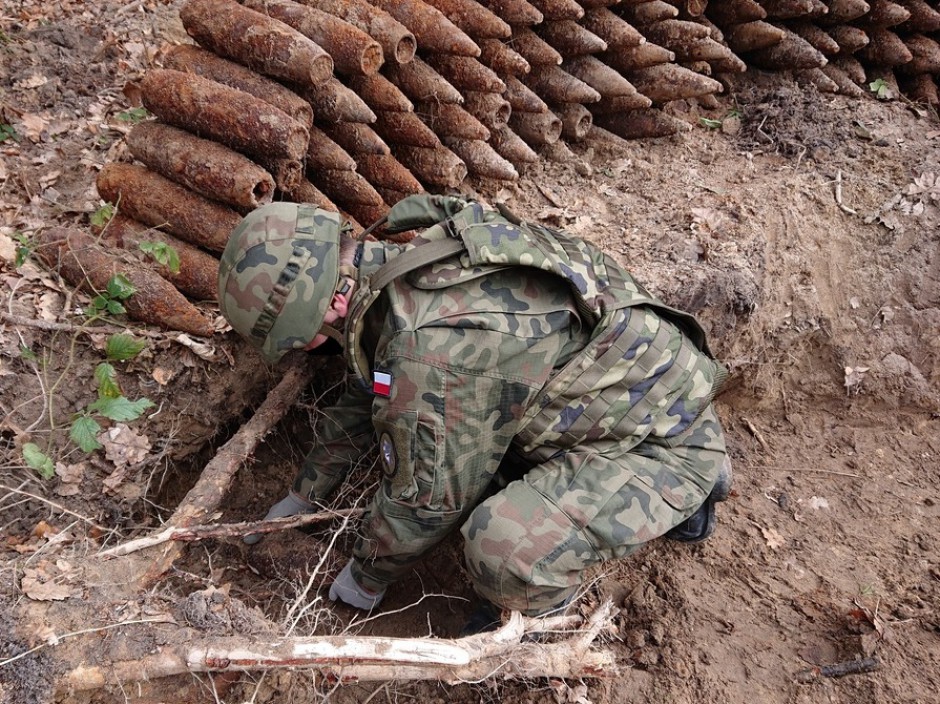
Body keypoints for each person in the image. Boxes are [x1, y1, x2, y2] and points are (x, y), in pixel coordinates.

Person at [217, 194, 732, 633]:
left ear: (328, 306)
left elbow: (427, 499)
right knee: (460, 452)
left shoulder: (432, 349)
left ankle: (538, 615)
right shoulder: (405, 268)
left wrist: (366, 575)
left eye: (294, 339)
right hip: (629, 390)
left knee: (501, 549)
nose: (298, 350)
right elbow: (369, 384)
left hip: (654, 440)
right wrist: (305, 492)